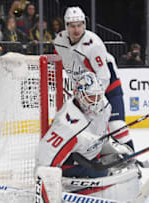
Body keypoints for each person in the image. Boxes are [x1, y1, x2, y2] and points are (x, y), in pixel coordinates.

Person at [37, 72, 140, 200]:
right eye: (91, 97)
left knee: (123, 164)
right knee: (105, 172)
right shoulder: (66, 125)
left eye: (98, 96)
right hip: (71, 164)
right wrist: (46, 189)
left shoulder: (104, 105)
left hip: (90, 155)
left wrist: (113, 149)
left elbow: (102, 134)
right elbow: (44, 160)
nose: (96, 102)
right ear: (79, 95)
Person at [54, 6, 134, 150]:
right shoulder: (59, 41)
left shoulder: (93, 44)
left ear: (84, 24)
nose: (76, 30)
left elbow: (104, 76)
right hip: (84, 92)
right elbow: (60, 62)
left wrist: (93, 100)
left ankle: (132, 157)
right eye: (72, 26)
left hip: (108, 87)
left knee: (116, 126)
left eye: (80, 25)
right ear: (66, 26)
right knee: (80, 128)